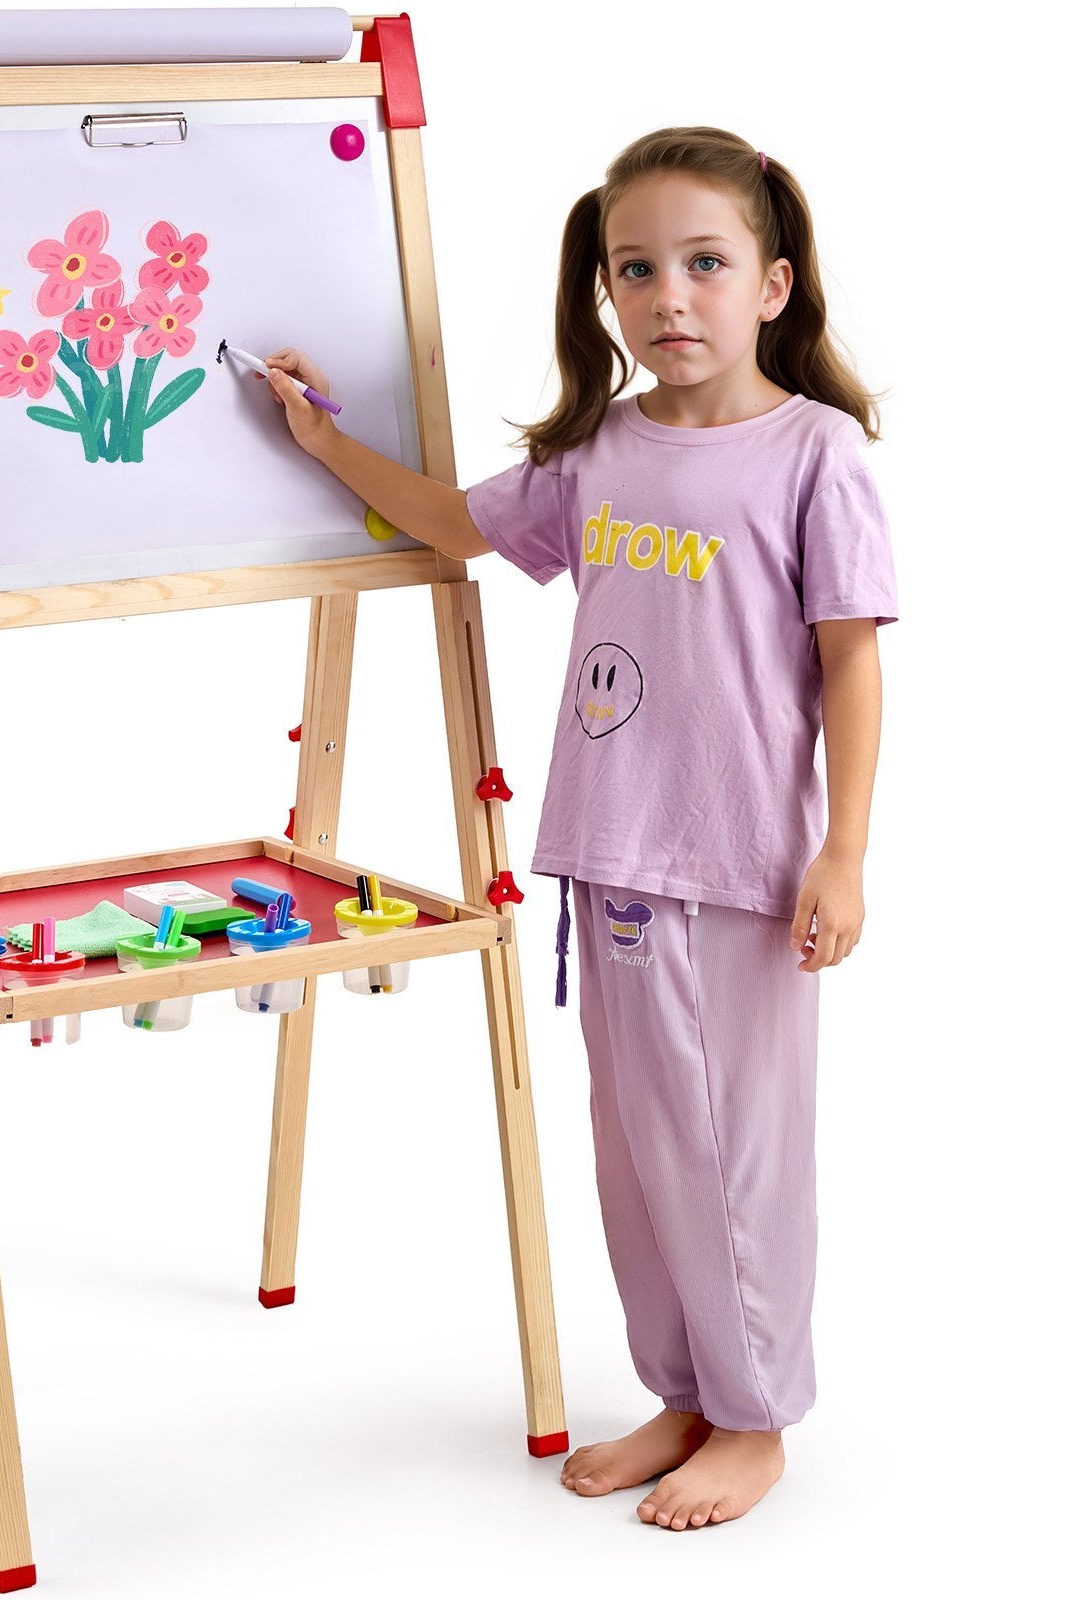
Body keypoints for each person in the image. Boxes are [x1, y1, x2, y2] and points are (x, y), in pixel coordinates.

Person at [259, 126, 898, 1532]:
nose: (671, 296)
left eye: (706, 264)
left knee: (738, 1143)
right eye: (638, 270)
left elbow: (851, 660)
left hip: (740, 865)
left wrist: (842, 853)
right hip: (606, 851)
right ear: (606, 294)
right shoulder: (600, 452)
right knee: (642, 1145)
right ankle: (681, 1390)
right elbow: (448, 526)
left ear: (774, 286)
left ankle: (755, 1417)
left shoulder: (815, 454)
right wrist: (319, 442)